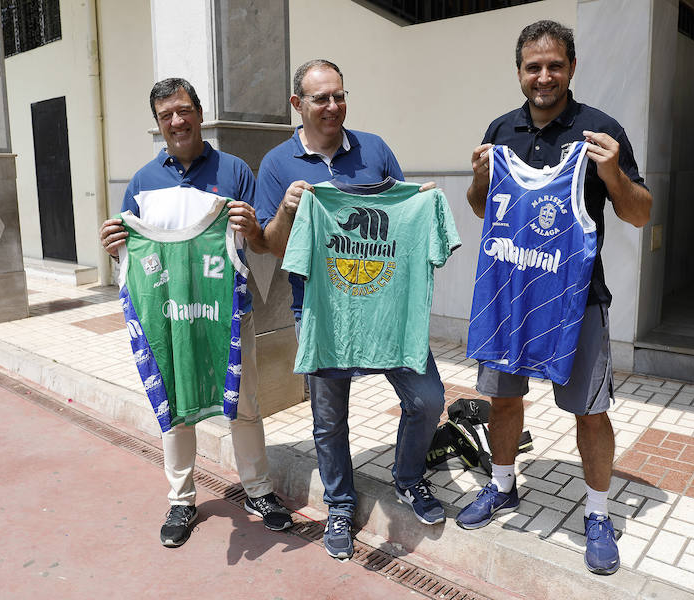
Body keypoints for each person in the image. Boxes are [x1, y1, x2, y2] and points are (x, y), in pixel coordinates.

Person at [456, 21, 652, 576]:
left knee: (590, 412)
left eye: (554, 65)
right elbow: (481, 207)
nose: (543, 76)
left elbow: (640, 212)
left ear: (571, 67)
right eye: (532, 66)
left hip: (578, 298)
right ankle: (502, 486)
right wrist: (477, 179)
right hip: (510, 293)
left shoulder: (599, 132)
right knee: (502, 399)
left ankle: (596, 513)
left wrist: (612, 173)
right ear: (519, 71)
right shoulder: (501, 130)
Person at [255, 59, 446, 560]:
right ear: (297, 105)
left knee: (427, 398)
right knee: (328, 417)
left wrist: (421, 202)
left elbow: (404, 209)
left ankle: (408, 478)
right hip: (321, 310)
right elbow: (273, 247)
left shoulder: (374, 148)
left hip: (386, 307)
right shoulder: (277, 165)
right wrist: (288, 210)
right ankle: (340, 504)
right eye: (321, 98)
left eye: (340, 95)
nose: (334, 106)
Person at [98, 78, 292, 548]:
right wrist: (113, 248)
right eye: (167, 115)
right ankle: (182, 499)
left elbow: (264, 241)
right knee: (176, 404)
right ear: (158, 123)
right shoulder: (142, 184)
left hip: (227, 310)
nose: (177, 121)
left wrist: (253, 228)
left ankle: (258, 491)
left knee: (244, 403)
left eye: (184, 110)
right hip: (168, 316)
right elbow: (131, 257)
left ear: (200, 113)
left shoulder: (235, 170)